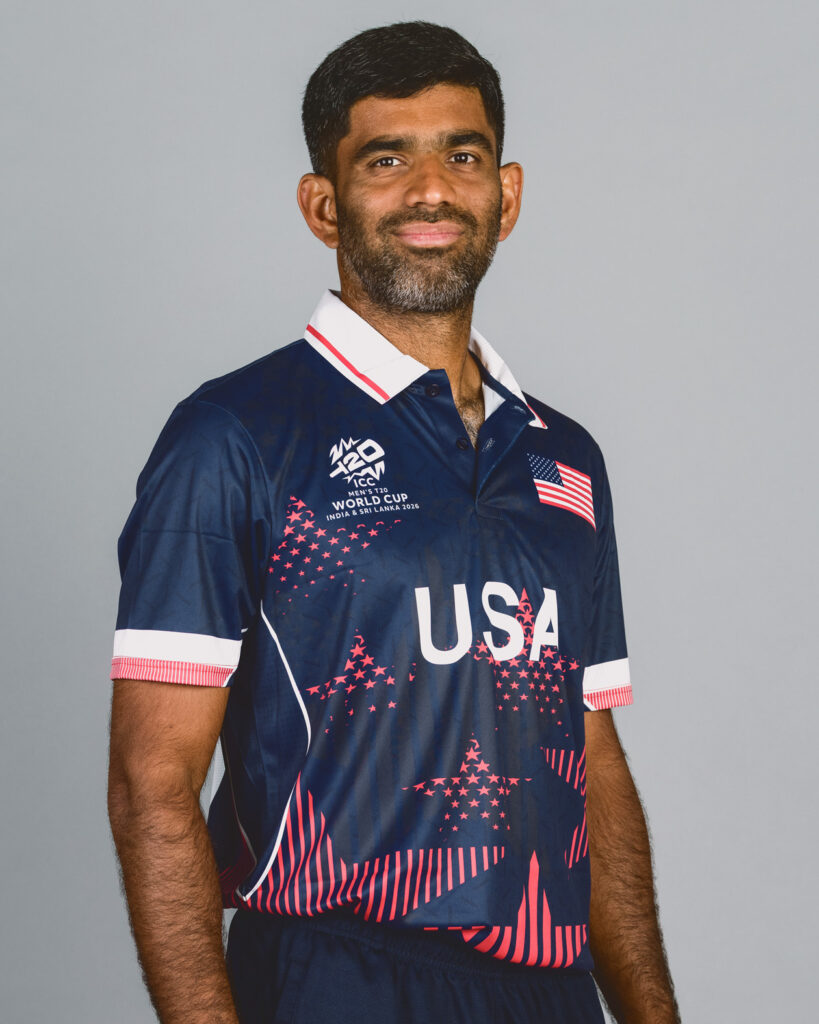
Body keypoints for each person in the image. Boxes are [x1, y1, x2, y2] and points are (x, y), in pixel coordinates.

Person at [108, 21, 680, 1024]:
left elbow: (593, 761)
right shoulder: (235, 437)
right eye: (387, 159)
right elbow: (151, 783)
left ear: (505, 193)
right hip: (338, 978)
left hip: (549, 993)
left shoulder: (566, 457)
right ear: (323, 205)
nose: (430, 190)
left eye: (460, 155)